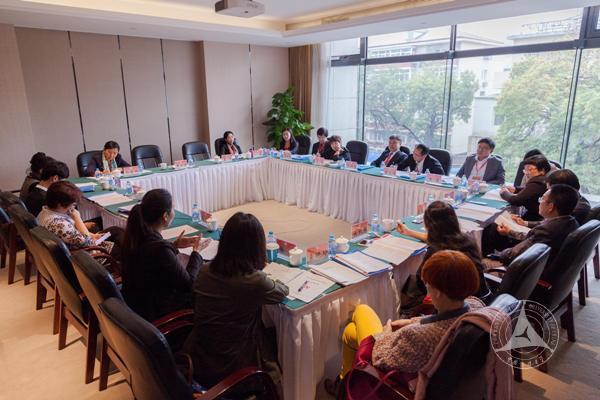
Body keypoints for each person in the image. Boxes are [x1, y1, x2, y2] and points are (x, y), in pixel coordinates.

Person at [325, 250, 483, 395]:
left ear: (439, 292)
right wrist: (413, 321)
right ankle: (344, 387)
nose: (426, 289)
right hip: (437, 374)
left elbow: (379, 358)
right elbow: (444, 319)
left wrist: (385, 334)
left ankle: (345, 386)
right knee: (351, 333)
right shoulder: (476, 307)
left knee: (361, 310)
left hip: (396, 374)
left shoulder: (418, 337)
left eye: (427, 284)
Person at [183, 212, 288, 389]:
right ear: (256, 247)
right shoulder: (254, 280)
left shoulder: (205, 270)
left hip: (200, 356)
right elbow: (282, 291)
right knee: (276, 337)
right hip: (233, 366)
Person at [121, 189, 209, 322]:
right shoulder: (160, 249)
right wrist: (196, 252)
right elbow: (189, 284)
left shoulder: (136, 236)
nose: (174, 212)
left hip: (137, 305)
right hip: (157, 315)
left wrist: (174, 245)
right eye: (173, 208)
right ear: (165, 216)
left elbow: (153, 257)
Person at [397, 201, 491, 314]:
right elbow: (437, 237)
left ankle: (407, 314)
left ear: (428, 225)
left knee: (412, 284)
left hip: (460, 309)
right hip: (482, 299)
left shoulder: (437, 253)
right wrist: (408, 232)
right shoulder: (467, 240)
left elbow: (422, 281)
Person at [486, 184, 580, 278]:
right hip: (545, 269)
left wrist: (496, 255)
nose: (539, 202)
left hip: (528, 275)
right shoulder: (571, 222)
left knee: (480, 262)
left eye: (542, 199)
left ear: (551, 207)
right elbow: (533, 239)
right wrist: (510, 232)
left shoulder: (546, 231)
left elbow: (511, 255)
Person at [37, 181, 122, 257]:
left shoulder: (45, 212)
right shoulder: (59, 225)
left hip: (75, 245)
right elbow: (90, 243)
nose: (73, 207)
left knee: (115, 230)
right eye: (72, 204)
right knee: (119, 249)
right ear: (60, 204)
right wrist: (77, 218)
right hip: (82, 258)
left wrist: (92, 235)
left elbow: (75, 233)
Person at [512, 169, 590, 226]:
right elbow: (549, 222)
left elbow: (552, 226)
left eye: (549, 189)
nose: (547, 192)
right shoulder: (577, 201)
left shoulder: (575, 209)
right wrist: (525, 223)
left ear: (562, 189)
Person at [500, 155, 550, 221]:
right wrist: (516, 190)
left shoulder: (536, 183)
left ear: (542, 170)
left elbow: (516, 200)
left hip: (534, 219)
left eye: (530, 169)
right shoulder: (544, 179)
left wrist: (504, 193)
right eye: (525, 170)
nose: (526, 173)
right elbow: (530, 190)